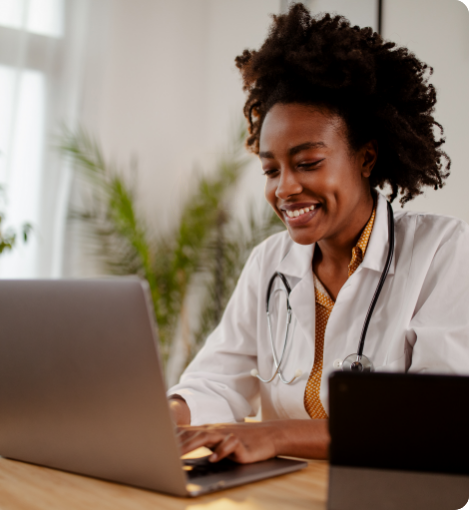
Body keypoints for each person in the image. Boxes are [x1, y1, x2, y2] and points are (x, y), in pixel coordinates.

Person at [167, 3, 469, 463]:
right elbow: (216, 380)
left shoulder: (442, 251)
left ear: (366, 158)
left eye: (307, 163)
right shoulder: (269, 261)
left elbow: (432, 421)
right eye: (271, 169)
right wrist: (161, 416)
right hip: (288, 488)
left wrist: (275, 436)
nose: (285, 188)